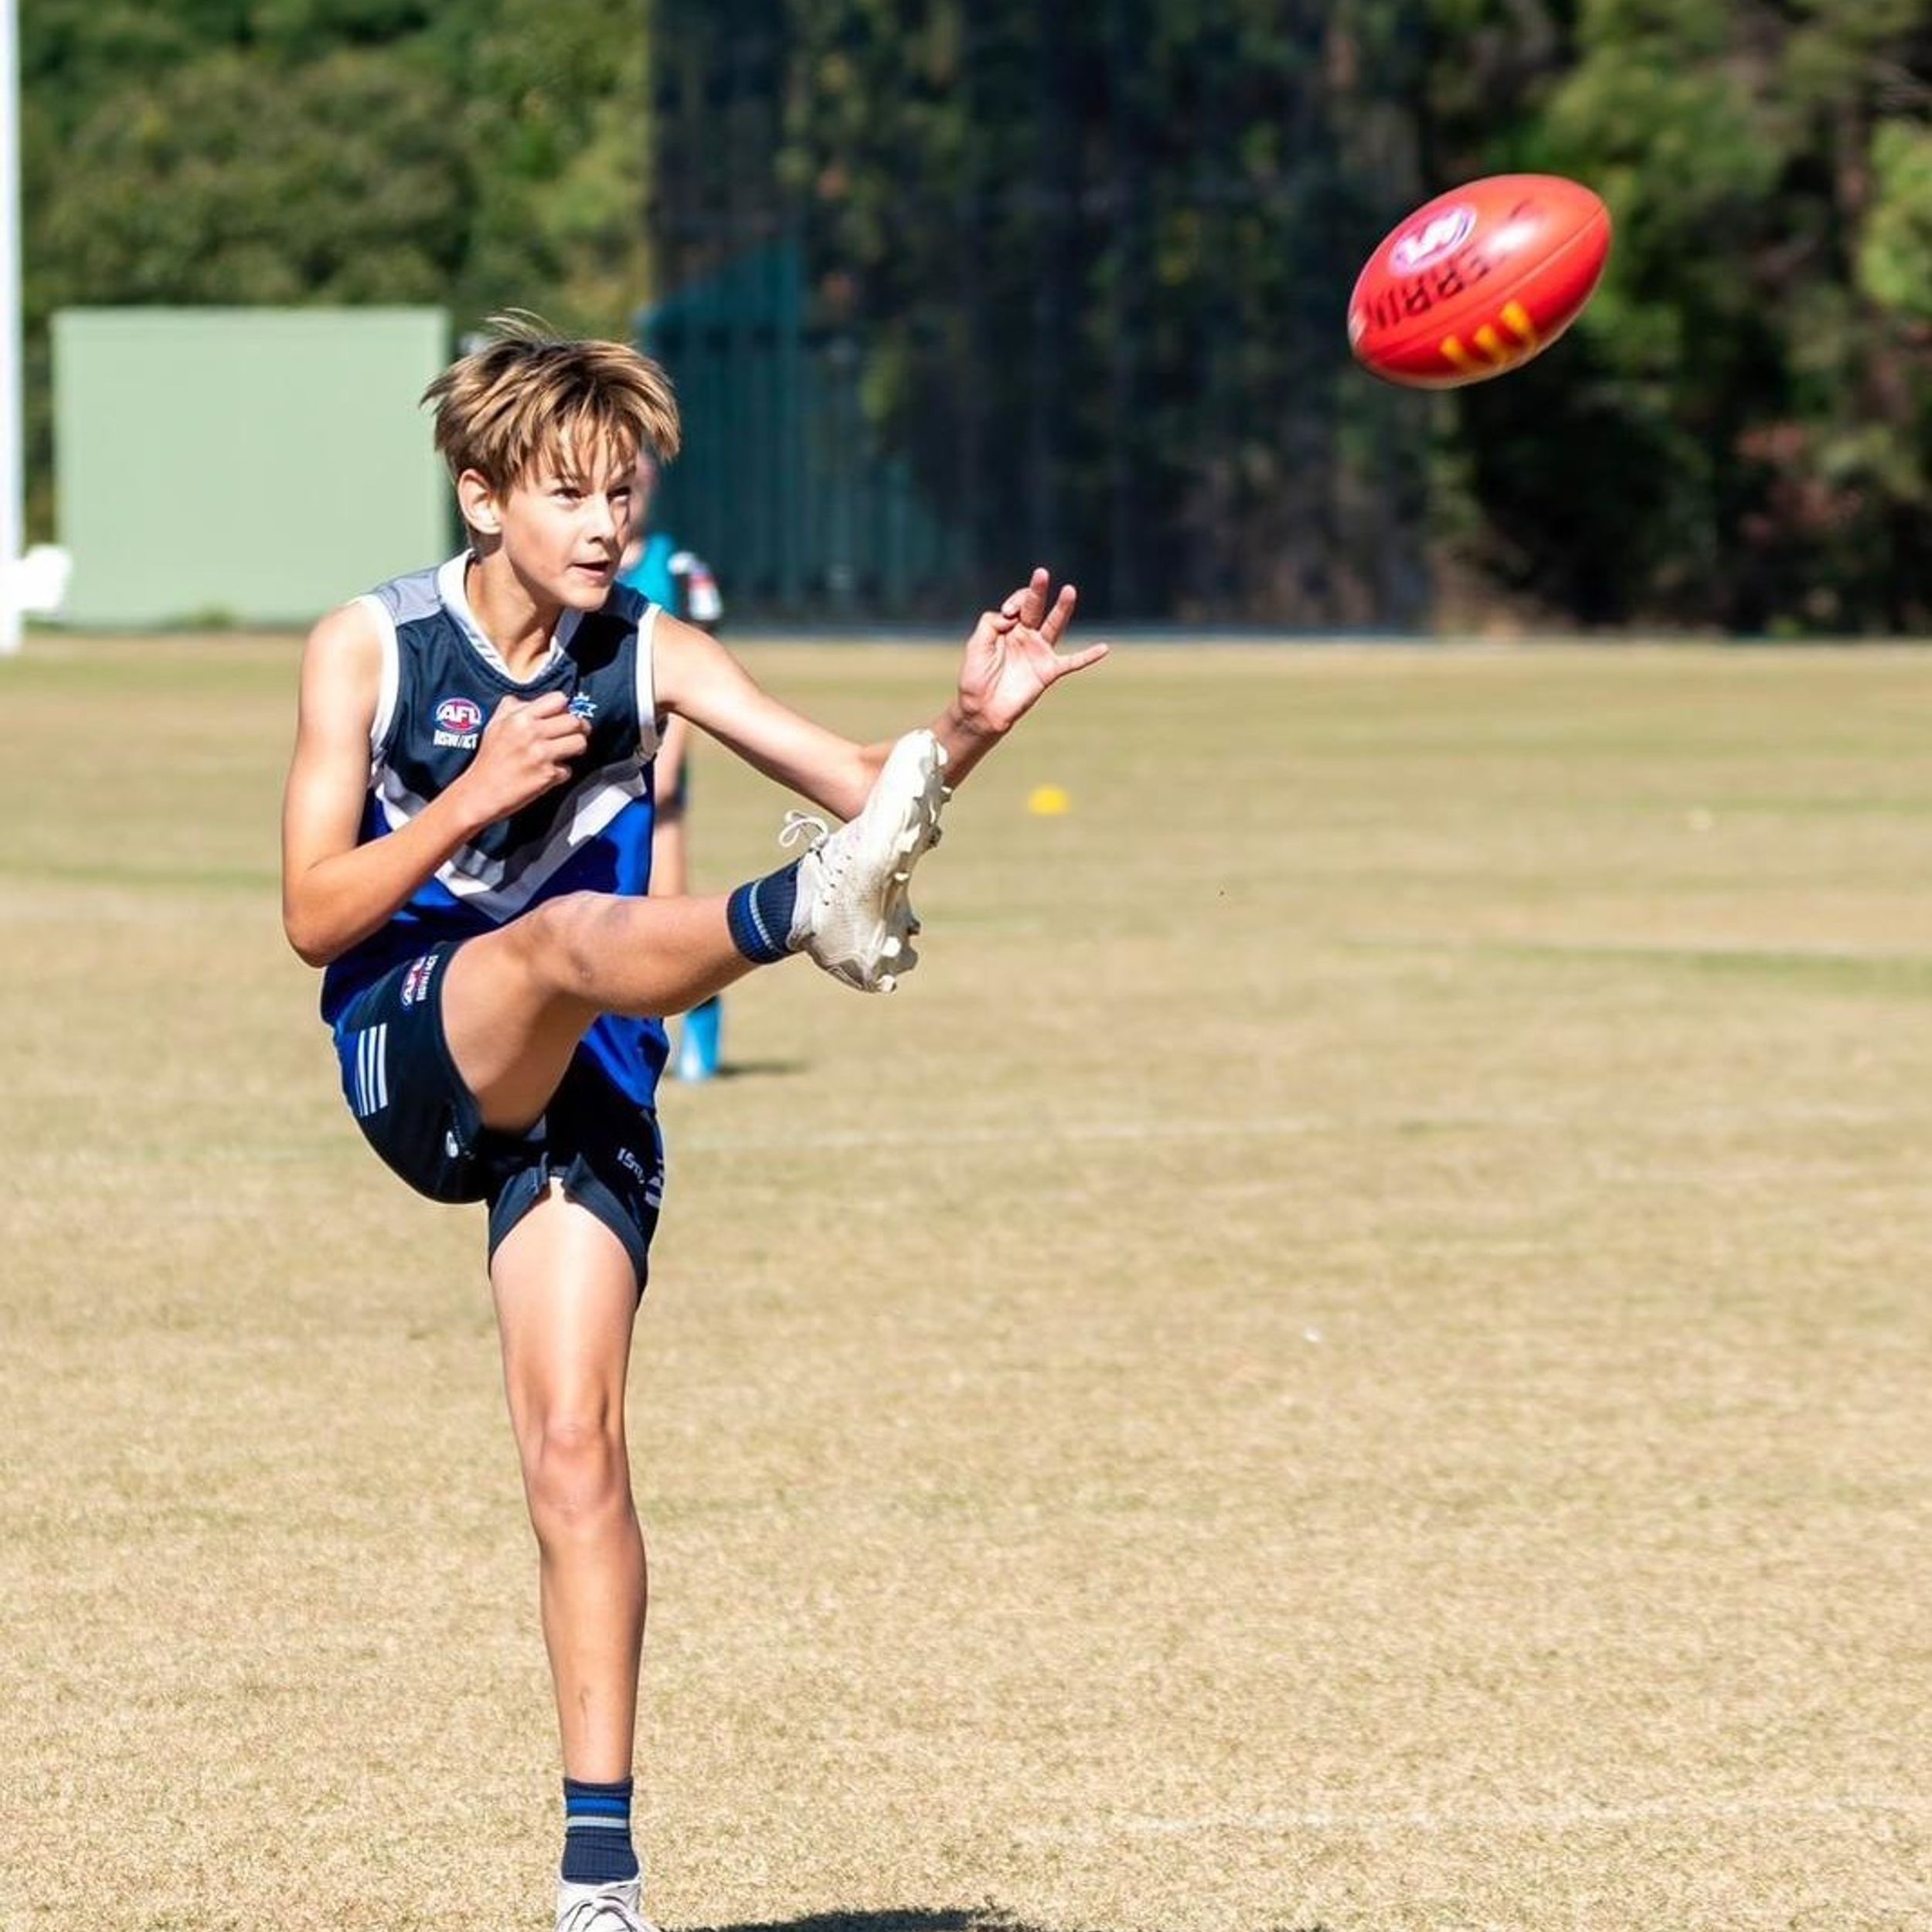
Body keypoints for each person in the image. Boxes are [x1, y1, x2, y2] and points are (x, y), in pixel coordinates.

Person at [278, 315, 1105, 1932]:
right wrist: (473, 794)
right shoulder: (368, 647)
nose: (605, 525)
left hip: (586, 1073)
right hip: (412, 1040)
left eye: (624, 493)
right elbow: (313, 915)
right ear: (481, 497)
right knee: (566, 941)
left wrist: (969, 725)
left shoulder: (650, 648)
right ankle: (798, 910)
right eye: (569, 492)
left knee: (575, 1448)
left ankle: (600, 1880)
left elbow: (862, 778)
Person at [616, 453, 725, 1080]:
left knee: (668, 908)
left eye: (637, 476)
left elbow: (698, 684)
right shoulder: (575, 569)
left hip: (656, 765)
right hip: (590, 768)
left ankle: (702, 1033)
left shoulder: (680, 570)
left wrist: (670, 757)